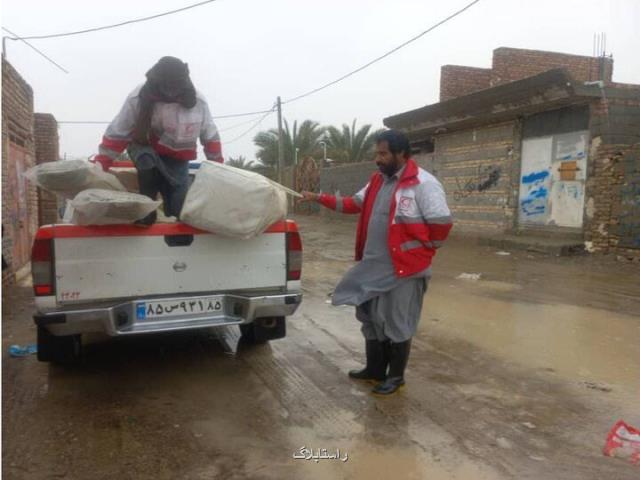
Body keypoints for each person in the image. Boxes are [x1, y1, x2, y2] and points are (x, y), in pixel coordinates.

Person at [300, 130, 452, 396]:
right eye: (376, 153)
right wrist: (317, 198)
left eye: (383, 153)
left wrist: (423, 253)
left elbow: (441, 224)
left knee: (397, 322)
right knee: (370, 317)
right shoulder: (376, 182)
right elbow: (351, 204)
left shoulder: (424, 184)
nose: (377, 159)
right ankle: (374, 369)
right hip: (372, 267)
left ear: (401, 154)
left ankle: (395, 377)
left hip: (404, 270)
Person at [93, 56, 223, 224]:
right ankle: (146, 213)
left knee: (178, 207)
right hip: (145, 147)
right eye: (166, 85)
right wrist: (102, 163)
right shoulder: (139, 96)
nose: (171, 90)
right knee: (147, 163)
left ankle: (176, 232)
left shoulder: (198, 102)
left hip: (178, 158)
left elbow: (210, 136)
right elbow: (118, 132)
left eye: (175, 85)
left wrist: (218, 166)